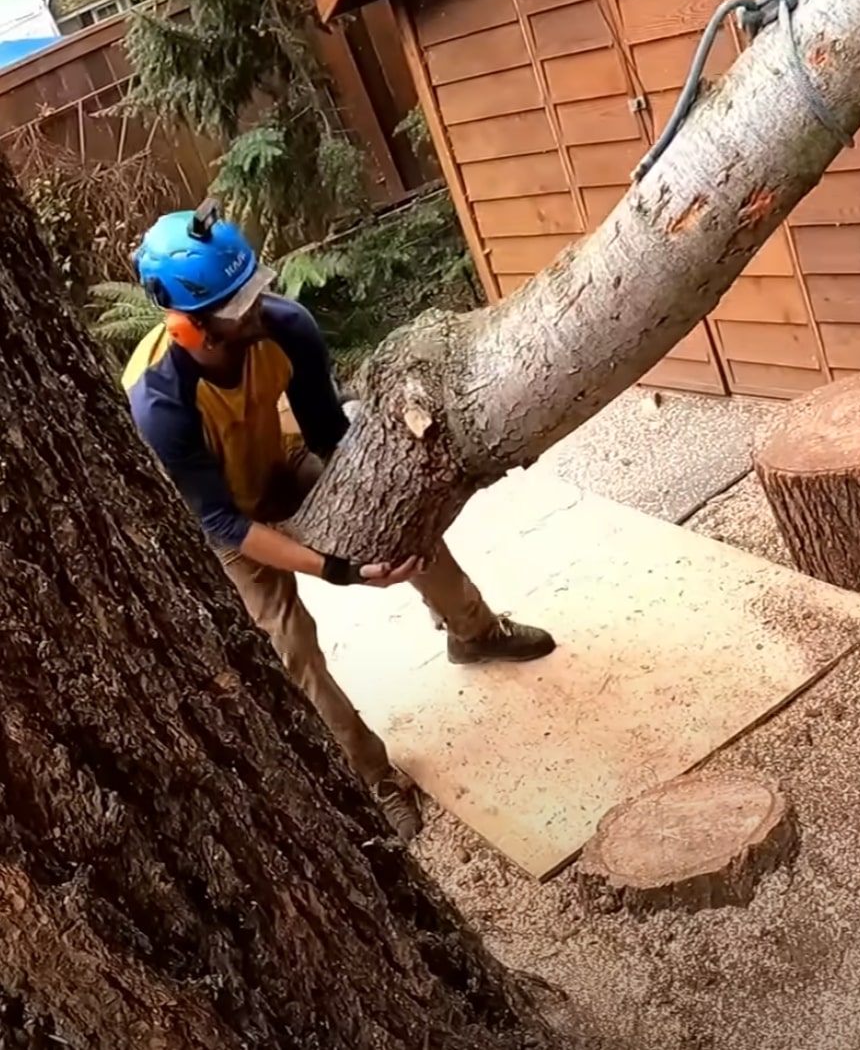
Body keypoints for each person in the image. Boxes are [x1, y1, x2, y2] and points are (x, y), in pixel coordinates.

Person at [120, 201, 557, 840]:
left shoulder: (285, 326)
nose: (257, 308)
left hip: (282, 463)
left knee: (403, 514)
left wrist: (389, 502)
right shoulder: (160, 405)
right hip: (227, 522)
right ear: (192, 326)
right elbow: (223, 525)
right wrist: (340, 569)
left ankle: (474, 631)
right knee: (290, 645)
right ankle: (376, 780)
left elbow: (328, 434)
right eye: (238, 307)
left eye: (254, 290)